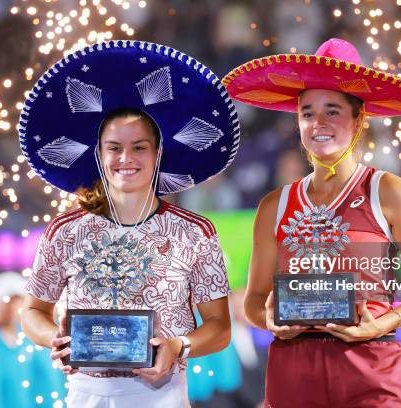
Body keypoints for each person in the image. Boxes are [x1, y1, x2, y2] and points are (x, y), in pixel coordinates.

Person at [223, 38, 401, 407]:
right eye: (307, 113)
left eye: (332, 111)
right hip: (293, 372)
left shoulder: (389, 192)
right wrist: (269, 319)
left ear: (359, 118)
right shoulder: (273, 206)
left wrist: (382, 324)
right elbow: (254, 301)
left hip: (370, 369)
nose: (318, 123)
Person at [19, 40, 240, 407]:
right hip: (85, 396)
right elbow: (32, 311)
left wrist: (179, 346)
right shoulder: (65, 231)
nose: (126, 158)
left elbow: (220, 328)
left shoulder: (194, 232)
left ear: (158, 154)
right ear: (98, 154)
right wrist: (52, 339)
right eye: (114, 147)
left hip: (164, 396)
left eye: (139, 147)